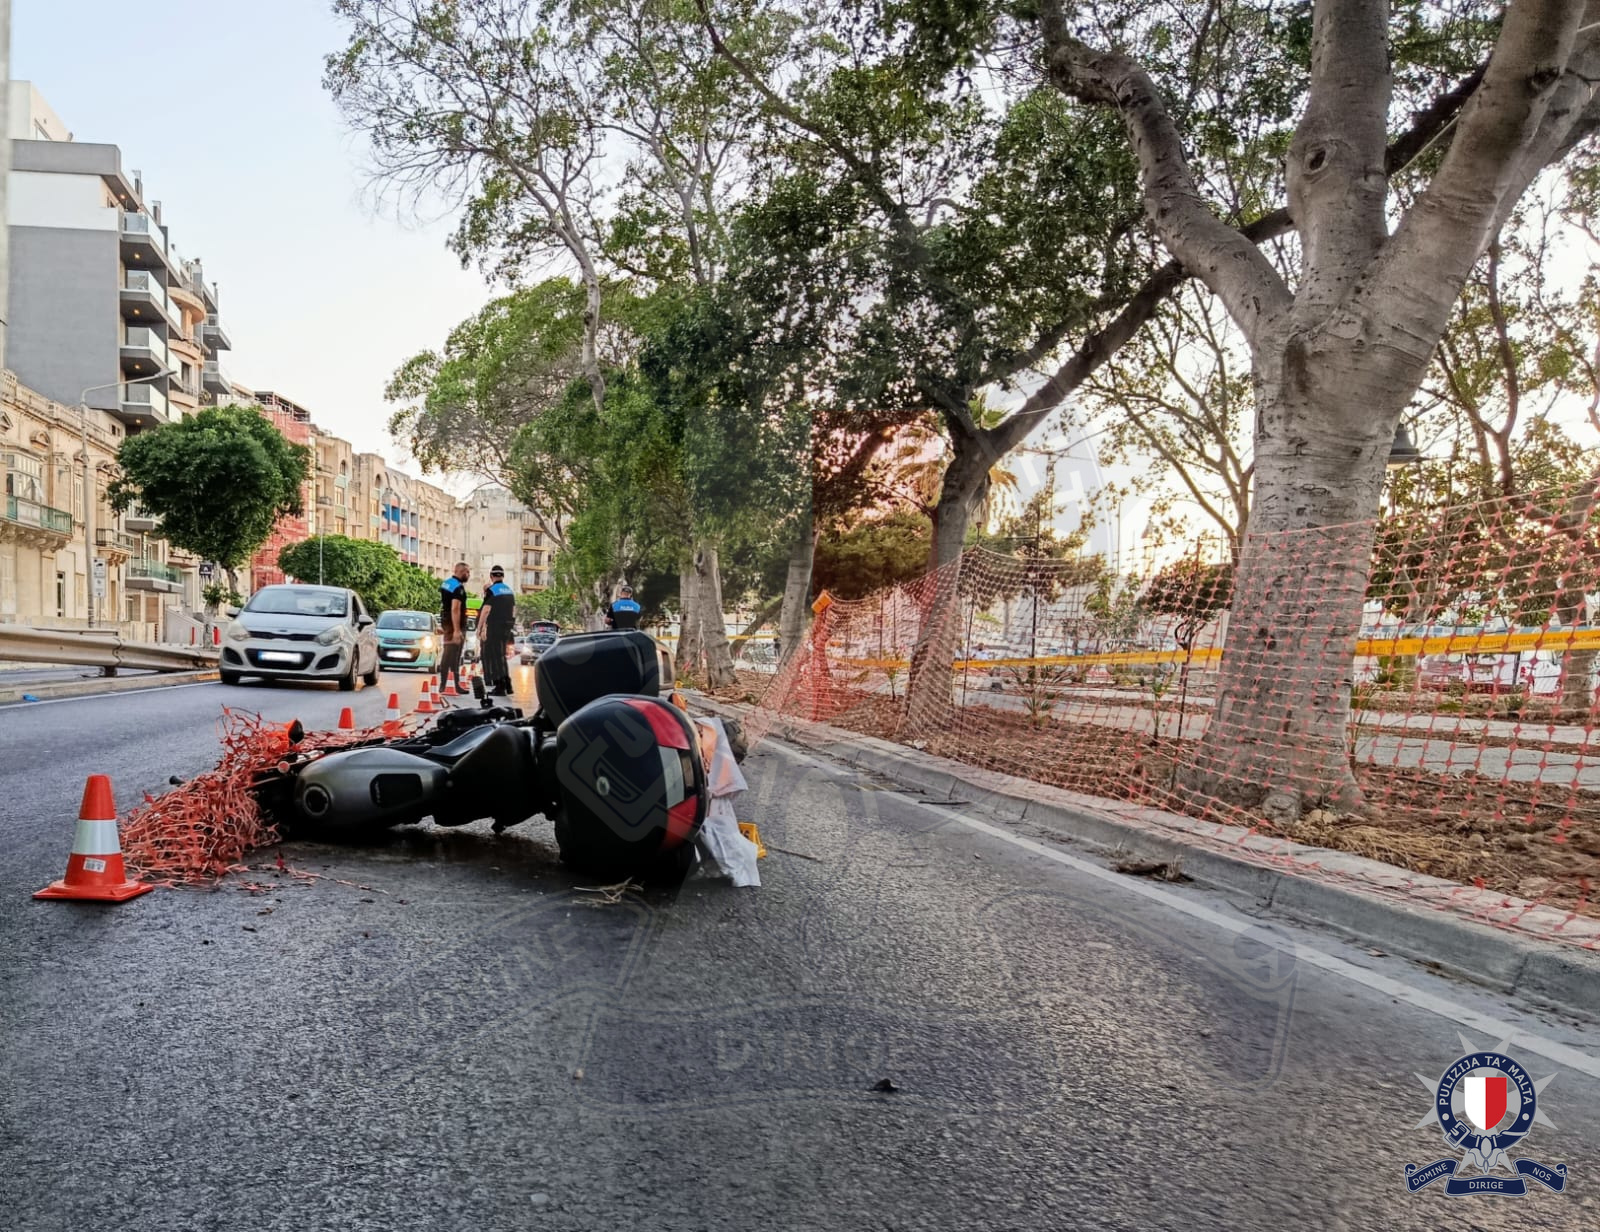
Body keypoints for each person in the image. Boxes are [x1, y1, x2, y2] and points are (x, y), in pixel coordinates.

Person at [481, 565, 517, 696]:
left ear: (491, 577)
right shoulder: (509, 591)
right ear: (503, 576)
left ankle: (500, 686)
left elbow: (486, 610)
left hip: (495, 627)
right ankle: (507, 685)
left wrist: (479, 628)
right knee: (501, 656)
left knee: (495, 656)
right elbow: (513, 610)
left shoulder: (492, 590)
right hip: (507, 627)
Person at [438, 561, 471, 692]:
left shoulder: (446, 584)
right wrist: (457, 630)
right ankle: (454, 685)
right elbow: (455, 608)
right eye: (467, 572)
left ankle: (444, 684)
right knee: (455, 655)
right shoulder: (458, 588)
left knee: (447, 653)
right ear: (460, 571)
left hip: (446, 621)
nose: (468, 575)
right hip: (454, 624)